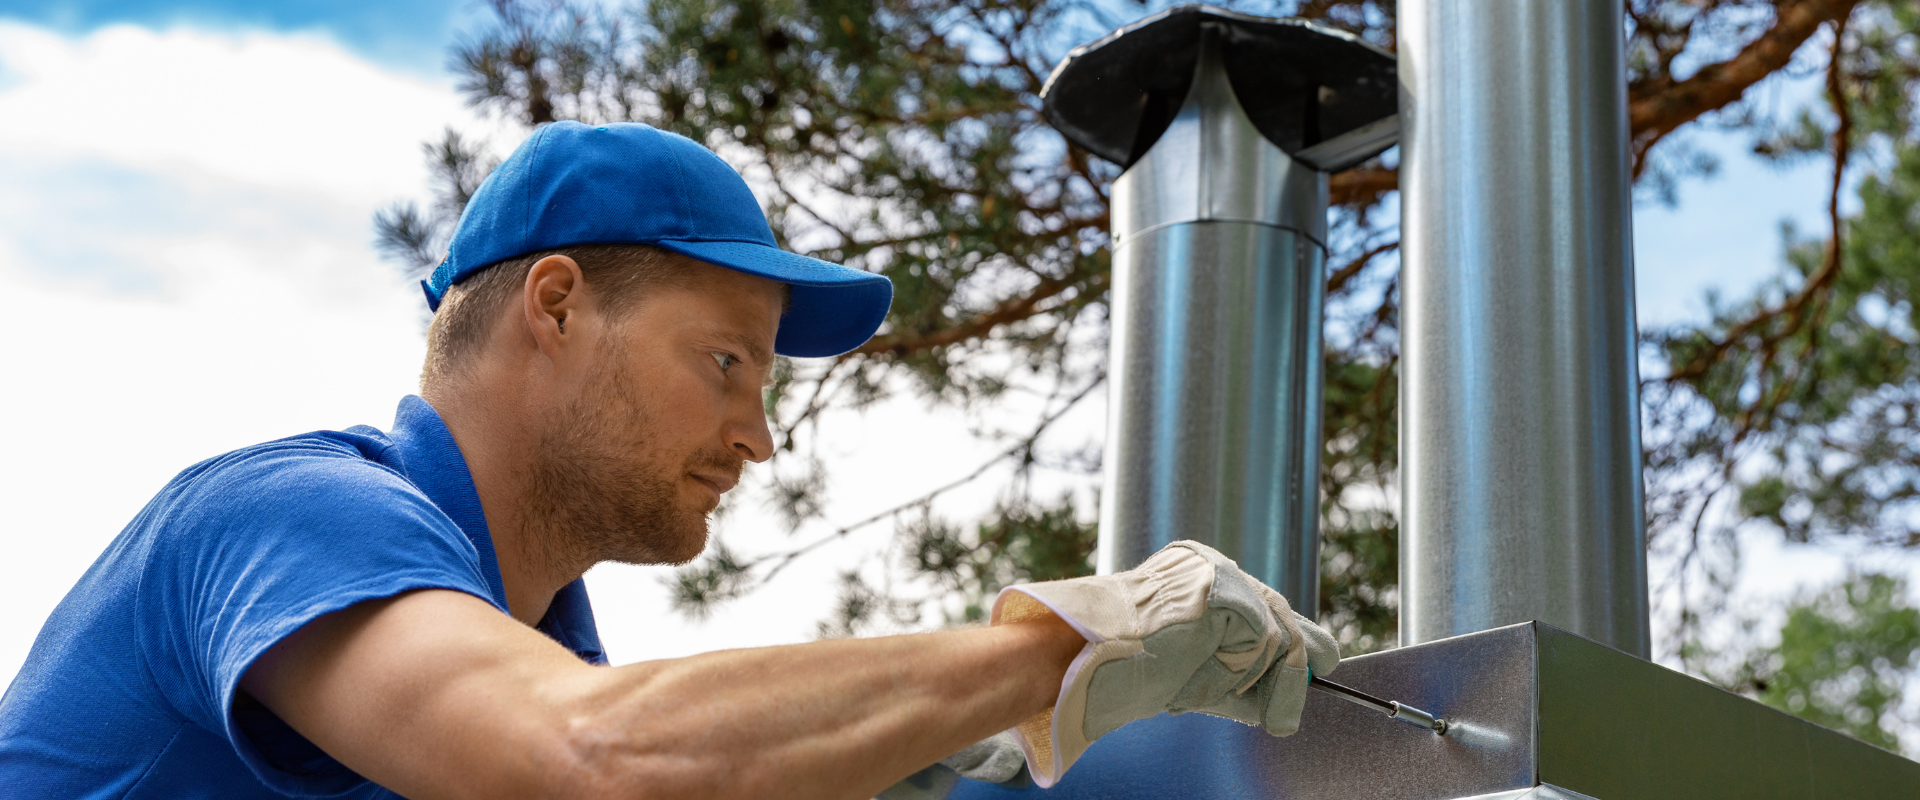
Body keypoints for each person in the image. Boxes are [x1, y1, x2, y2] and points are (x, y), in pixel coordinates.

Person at [0, 122, 1338, 799]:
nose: (762, 432)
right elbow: (591, 761)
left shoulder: (535, 657)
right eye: (727, 361)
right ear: (559, 306)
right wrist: (1055, 656)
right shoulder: (294, 517)